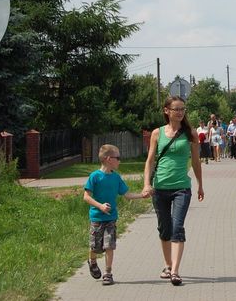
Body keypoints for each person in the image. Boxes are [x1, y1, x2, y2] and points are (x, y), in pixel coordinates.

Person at [142, 96, 204, 287]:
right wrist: (146, 184)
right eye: (176, 109)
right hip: (160, 188)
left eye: (183, 109)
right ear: (167, 111)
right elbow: (150, 161)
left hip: (181, 188)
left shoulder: (190, 134)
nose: (180, 112)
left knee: (177, 227)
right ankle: (168, 265)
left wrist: (200, 184)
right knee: (164, 228)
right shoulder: (157, 133)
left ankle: (175, 271)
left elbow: (195, 161)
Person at [83, 144, 146, 286]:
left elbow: (127, 195)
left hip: (111, 218)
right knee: (95, 247)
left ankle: (108, 273)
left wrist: (142, 195)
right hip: (97, 218)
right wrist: (100, 206)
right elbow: (86, 197)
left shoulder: (116, 178)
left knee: (109, 245)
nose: (120, 161)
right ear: (108, 159)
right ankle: (92, 261)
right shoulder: (95, 176)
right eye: (118, 158)